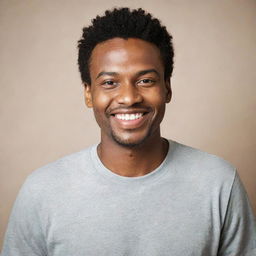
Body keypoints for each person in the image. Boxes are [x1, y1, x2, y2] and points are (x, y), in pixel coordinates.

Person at [2, 7, 256, 256]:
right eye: (110, 83)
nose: (128, 97)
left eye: (145, 80)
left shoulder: (219, 183)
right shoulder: (42, 191)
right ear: (89, 93)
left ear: (167, 88)